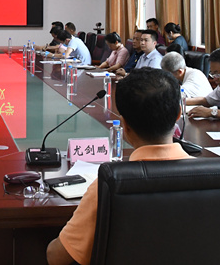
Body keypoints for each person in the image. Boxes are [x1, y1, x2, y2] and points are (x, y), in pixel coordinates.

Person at [45, 68, 190, 265]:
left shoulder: (109, 185)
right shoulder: (217, 178)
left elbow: (56, 257)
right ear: (179, 114)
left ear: (124, 126)